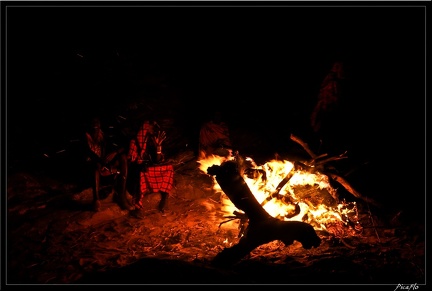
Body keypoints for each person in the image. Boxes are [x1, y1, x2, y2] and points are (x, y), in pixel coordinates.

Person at [84, 117, 134, 212]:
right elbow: (88, 156)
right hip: (92, 166)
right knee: (95, 167)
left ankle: (121, 196)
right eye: (94, 127)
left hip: (103, 162)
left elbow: (125, 145)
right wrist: (102, 164)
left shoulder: (103, 135)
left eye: (97, 126)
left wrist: (115, 152)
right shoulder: (85, 138)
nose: (96, 129)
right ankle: (96, 200)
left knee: (123, 157)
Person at [127, 120, 173, 213]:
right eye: (152, 127)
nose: (154, 129)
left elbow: (158, 160)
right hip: (137, 170)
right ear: (145, 127)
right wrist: (139, 160)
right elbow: (131, 160)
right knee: (142, 173)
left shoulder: (152, 140)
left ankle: (164, 199)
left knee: (169, 169)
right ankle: (138, 206)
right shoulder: (135, 141)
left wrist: (158, 147)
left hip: (150, 167)